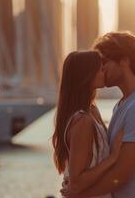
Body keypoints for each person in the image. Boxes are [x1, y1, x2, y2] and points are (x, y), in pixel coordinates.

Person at [62, 31, 135, 198]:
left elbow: (122, 174)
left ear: (124, 61)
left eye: (104, 62)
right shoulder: (123, 105)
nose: (101, 68)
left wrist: (80, 194)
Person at [52, 51, 124, 198]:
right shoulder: (82, 121)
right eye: (99, 68)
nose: (103, 70)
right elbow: (77, 183)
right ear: (87, 75)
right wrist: (114, 157)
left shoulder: (92, 111)